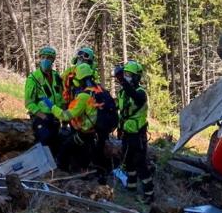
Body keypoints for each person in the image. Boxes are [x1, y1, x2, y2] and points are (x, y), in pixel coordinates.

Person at [54, 63, 107, 180]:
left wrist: (52, 107)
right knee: (90, 152)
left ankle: (63, 172)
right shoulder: (99, 90)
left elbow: (66, 115)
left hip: (86, 132)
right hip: (97, 130)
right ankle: (97, 174)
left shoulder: (83, 96)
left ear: (78, 80)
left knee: (66, 148)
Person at [115, 60, 153, 200]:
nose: (126, 77)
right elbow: (120, 110)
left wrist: (122, 80)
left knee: (140, 164)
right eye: (125, 74)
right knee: (128, 162)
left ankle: (149, 194)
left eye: (129, 75)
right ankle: (131, 187)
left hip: (138, 135)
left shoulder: (140, 93)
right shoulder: (122, 93)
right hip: (126, 133)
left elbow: (135, 98)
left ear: (136, 77)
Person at [24, 46, 64, 153]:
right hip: (40, 116)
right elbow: (29, 102)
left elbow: (61, 96)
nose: (45, 60)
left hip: (55, 116)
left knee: (55, 143)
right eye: (43, 57)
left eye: (49, 58)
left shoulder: (56, 77)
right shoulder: (33, 78)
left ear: (53, 60)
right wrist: (43, 116)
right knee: (44, 140)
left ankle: (56, 167)